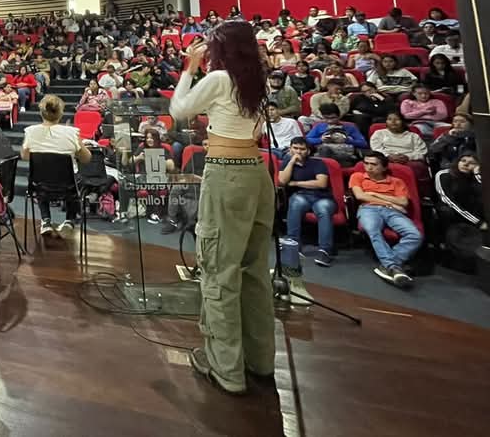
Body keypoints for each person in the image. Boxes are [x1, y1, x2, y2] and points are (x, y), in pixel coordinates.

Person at [170, 22, 273, 396]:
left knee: (219, 270)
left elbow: (180, 109)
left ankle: (226, 369)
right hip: (257, 174)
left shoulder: (219, 78)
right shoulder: (257, 79)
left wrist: (189, 68)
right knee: (255, 270)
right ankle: (259, 360)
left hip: (227, 174)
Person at [20, 94, 92, 237]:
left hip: (40, 187)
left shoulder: (30, 131)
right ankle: (69, 220)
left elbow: (25, 156)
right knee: (76, 179)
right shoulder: (72, 132)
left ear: (41, 112)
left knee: (41, 177)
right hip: (68, 188)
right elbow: (86, 158)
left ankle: (46, 220)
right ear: (60, 113)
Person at [349, 152, 423, 288]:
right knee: (372, 230)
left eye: (374, 164)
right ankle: (393, 267)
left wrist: (375, 194)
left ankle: (389, 265)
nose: (369, 167)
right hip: (369, 209)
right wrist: (389, 203)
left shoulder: (396, 181)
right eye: (366, 163)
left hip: (393, 212)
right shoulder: (357, 176)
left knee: (415, 235)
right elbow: (360, 196)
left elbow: (403, 202)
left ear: (384, 167)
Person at [278, 138, 337, 272]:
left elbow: (321, 183)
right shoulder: (287, 162)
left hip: (321, 196)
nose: (298, 151)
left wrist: (296, 183)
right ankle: (294, 244)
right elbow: (282, 181)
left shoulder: (318, 163)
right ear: (290, 148)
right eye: (295, 148)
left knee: (323, 209)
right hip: (302, 196)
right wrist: (292, 162)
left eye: (302, 149)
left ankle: (325, 250)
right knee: (296, 203)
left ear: (308, 151)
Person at [434, 153, 485, 273]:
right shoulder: (444, 174)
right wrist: (477, 221)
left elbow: (484, 193)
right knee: (447, 211)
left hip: (471, 213)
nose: (466, 164)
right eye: (463, 160)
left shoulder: (474, 177)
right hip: (451, 213)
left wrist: (477, 174)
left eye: (471, 163)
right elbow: (448, 201)